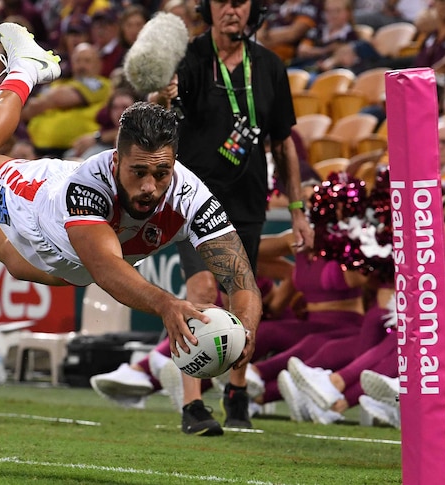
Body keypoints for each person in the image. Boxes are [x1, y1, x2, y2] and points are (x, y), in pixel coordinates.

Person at [0, 23, 262, 399]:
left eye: (162, 172)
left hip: (76, 262)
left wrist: (245, 328)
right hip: (39, 203)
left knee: (20, 264)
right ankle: (26, 70)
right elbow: (104, 269)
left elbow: (240, 278)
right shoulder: (89, 186)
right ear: (116, 161)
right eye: (139, 172)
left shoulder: (191, 196)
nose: (150, 186)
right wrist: (167, 304)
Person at [151, 0, 314, 432]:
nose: (231, 10)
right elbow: (157, 114)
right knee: (201, 290)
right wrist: (159, 95)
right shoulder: (186, 59)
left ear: (253, 11)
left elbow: (284, 145)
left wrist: (297, 210)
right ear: (209, 8)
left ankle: (237, 391)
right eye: (222, 1)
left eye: (241, 2)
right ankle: (192, 405)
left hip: (248, 200)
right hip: (189, 200)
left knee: (243, 293)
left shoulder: (270, 67)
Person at [284, 193, 445, 422]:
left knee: (402, 338)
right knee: (390, 332)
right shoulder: (438, 259)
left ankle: (335, 384)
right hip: (436, 330)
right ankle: (335, 403)